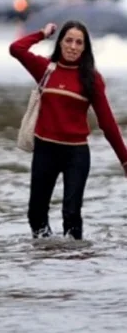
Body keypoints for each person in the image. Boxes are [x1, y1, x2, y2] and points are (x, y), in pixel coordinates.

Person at [10, 20, 127, 240]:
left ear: (85, 48)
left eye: (79, 42)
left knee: (71, 215)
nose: (73, 46)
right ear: (60, 43)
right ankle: (47, 260)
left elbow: (107, 123)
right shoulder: (45, 69)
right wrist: (42, 34)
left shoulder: (91, 79)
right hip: (45, 151)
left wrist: (124, 159)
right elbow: (16, 49)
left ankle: (73, 266)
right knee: (36, 215)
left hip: (76, 154)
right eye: (68, 40)